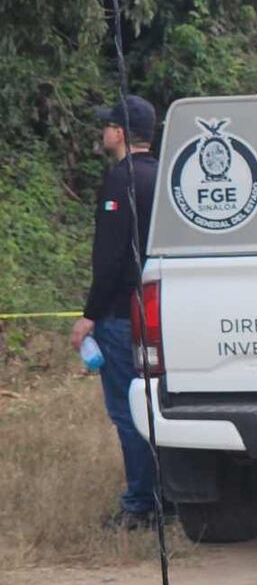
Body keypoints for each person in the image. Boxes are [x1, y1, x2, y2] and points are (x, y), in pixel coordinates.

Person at [70, 95, 162, 530]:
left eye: (108, 125)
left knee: (128, 409)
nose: (103, 131)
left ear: (121, 134)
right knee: (157, 405)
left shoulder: (119, 181)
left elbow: (108, 258)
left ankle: (141, 503)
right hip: (158, 312)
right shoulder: (162, 177)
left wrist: (89, 316)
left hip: (122, 314)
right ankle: (169, 496)